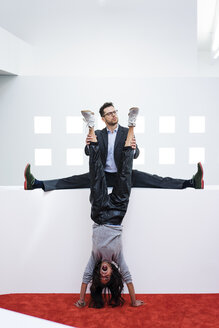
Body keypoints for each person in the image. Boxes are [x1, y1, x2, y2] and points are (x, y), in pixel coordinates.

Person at [24, 102, 204, 191]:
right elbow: (88, 152)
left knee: (156, 179)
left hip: (122, 176)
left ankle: (191, 183)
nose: (113, 115)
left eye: (114, 112)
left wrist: (135, 148)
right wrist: (88, 145)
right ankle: (36, 184)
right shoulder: (100, 135)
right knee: (71, 180)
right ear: (103, 118)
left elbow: (136, 153)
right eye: (109, 114)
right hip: (102, 175)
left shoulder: (126, 132)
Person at [75, 108, 144, 308]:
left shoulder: (94, 259)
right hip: (117, 215)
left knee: (96, 171)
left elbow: (85, 278)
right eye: (108, 277)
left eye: (101, 277)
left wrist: (81, 299)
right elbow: (129, 277)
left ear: (99, 273)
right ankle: (132, 123)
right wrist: (133, 301)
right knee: (126, 173)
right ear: (113, 272)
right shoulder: (117, 258)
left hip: (98, 213)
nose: (104, 274)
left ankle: (90, 126)